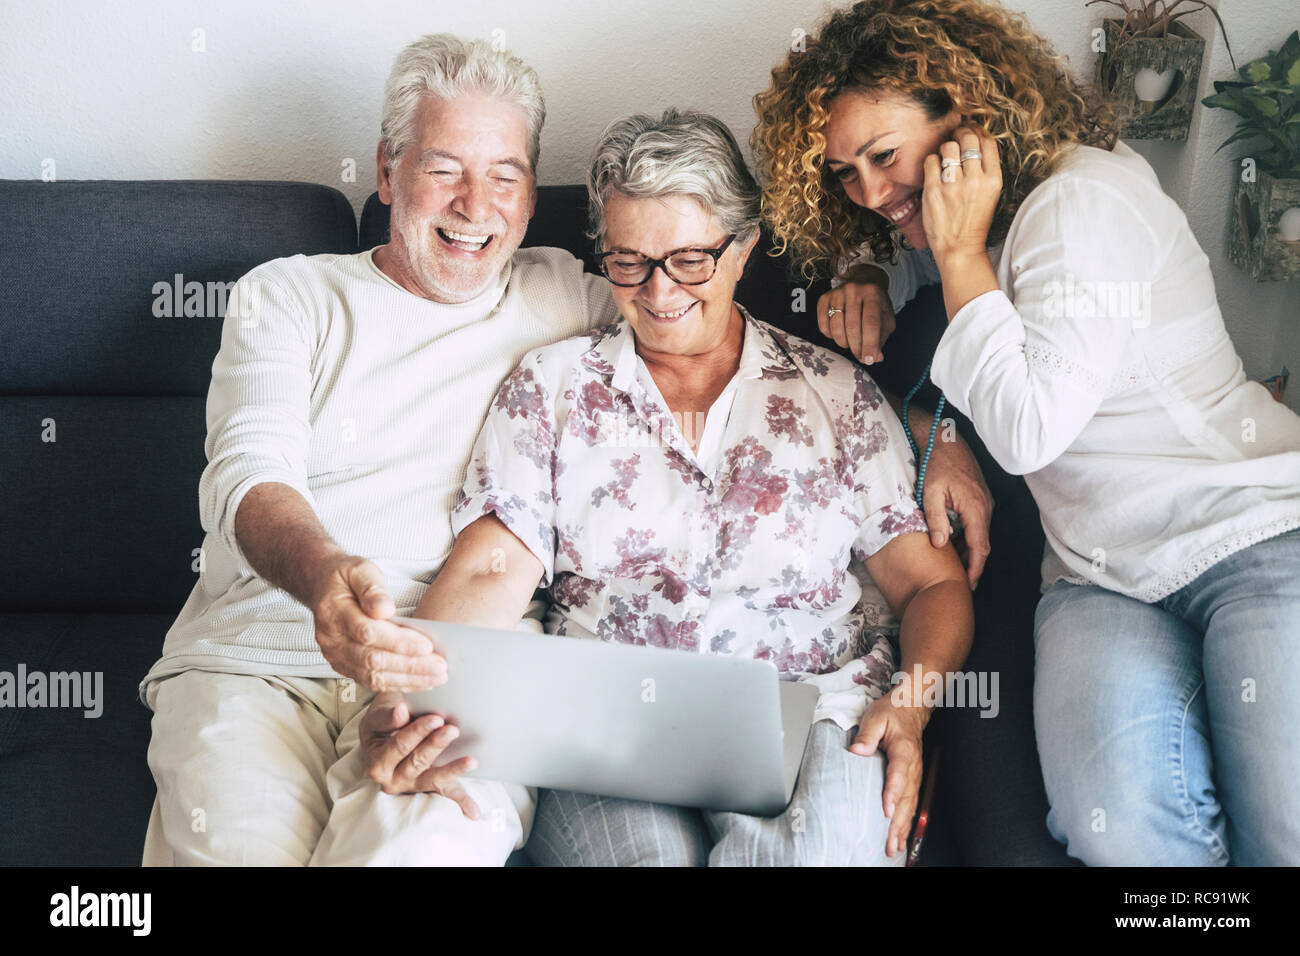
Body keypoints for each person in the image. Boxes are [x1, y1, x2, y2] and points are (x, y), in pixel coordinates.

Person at [753, 0, 1300, 866]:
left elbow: (1028, 433)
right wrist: (864, 264)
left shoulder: (1075, 202)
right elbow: (897, 269)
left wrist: (961, 256)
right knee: (1118, 829)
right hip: (1098, 573)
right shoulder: (956, 209)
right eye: (845, 172)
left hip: (1243, 529)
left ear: (965, 111)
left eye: (883, 157)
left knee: (1288, 819)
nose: (868, 192)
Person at [360, 109, 974, 866]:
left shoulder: (833, 392)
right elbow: (490, 568)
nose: (658, 292)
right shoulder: (552, 388)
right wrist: (407, 707)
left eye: (689, 260)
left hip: (814, 709)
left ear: (744, 248)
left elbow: (930, 587)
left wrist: (909, 707)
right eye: (628, 261)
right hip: (608, 720)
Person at [138, 33, 618, 866]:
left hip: (458, 665)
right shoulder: (289, 296)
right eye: (444, 169)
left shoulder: (570, 297)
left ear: (533, 192)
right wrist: (324, 577)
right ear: (388, 172)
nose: (477, 205)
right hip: (263, 656)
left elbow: (714, 332)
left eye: (505, 174)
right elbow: (250, 472)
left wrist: (868, 298)